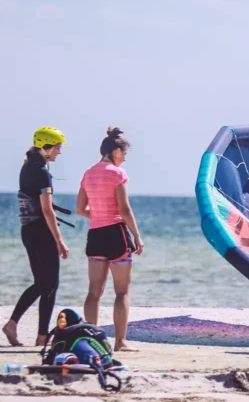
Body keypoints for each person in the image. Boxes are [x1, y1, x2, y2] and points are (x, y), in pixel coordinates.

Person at [76, 127, 144, 352]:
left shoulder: (88, 173)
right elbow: (124, 209)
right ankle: (120, 342)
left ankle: (90, 342)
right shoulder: (118, 174)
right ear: (115, 151)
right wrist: (137, 235)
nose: (124, 158)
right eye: (124, 153)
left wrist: (98, 215)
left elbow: (80, 208)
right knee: (122, 292)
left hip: (95, 235)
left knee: (94, 292)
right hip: (116, 234)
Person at [3, 126, 70, 347]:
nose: (59, 152)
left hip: (28, 231)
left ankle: (14, 324)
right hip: (42, 232)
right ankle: (41, 336)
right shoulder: (41, 171)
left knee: (42, 283)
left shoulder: (27, 167)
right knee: (50, 284)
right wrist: (59, 240)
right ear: (46, 146)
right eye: (58, 148)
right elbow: (47, 209)